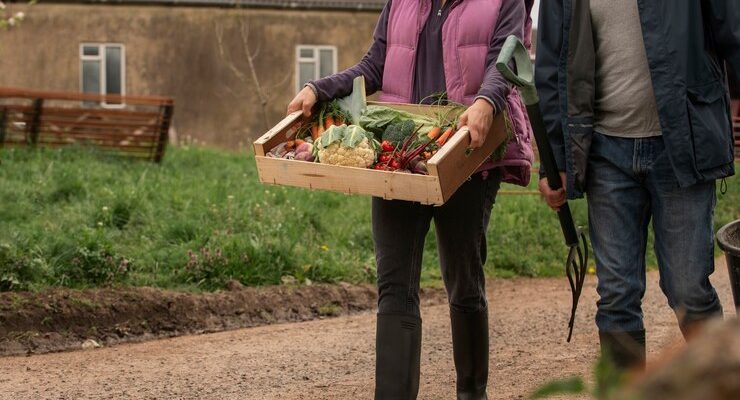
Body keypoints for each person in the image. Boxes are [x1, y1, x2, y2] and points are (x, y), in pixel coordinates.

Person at [288, 0, 534, 398]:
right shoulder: (400, 2)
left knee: (463, 278)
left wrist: (486, 102)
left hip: (465, 155)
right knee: (394, 283)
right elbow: (373, 65)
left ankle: (472, 393)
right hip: (401, 155)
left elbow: (503, 62)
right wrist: (319, 88)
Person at [535, 0, 739, 370]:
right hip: (605, 153)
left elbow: (734, 28)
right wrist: (555, 158)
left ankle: (720, 386)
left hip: (681, 143)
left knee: (689, 290)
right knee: (616, 295)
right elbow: (552, 63)